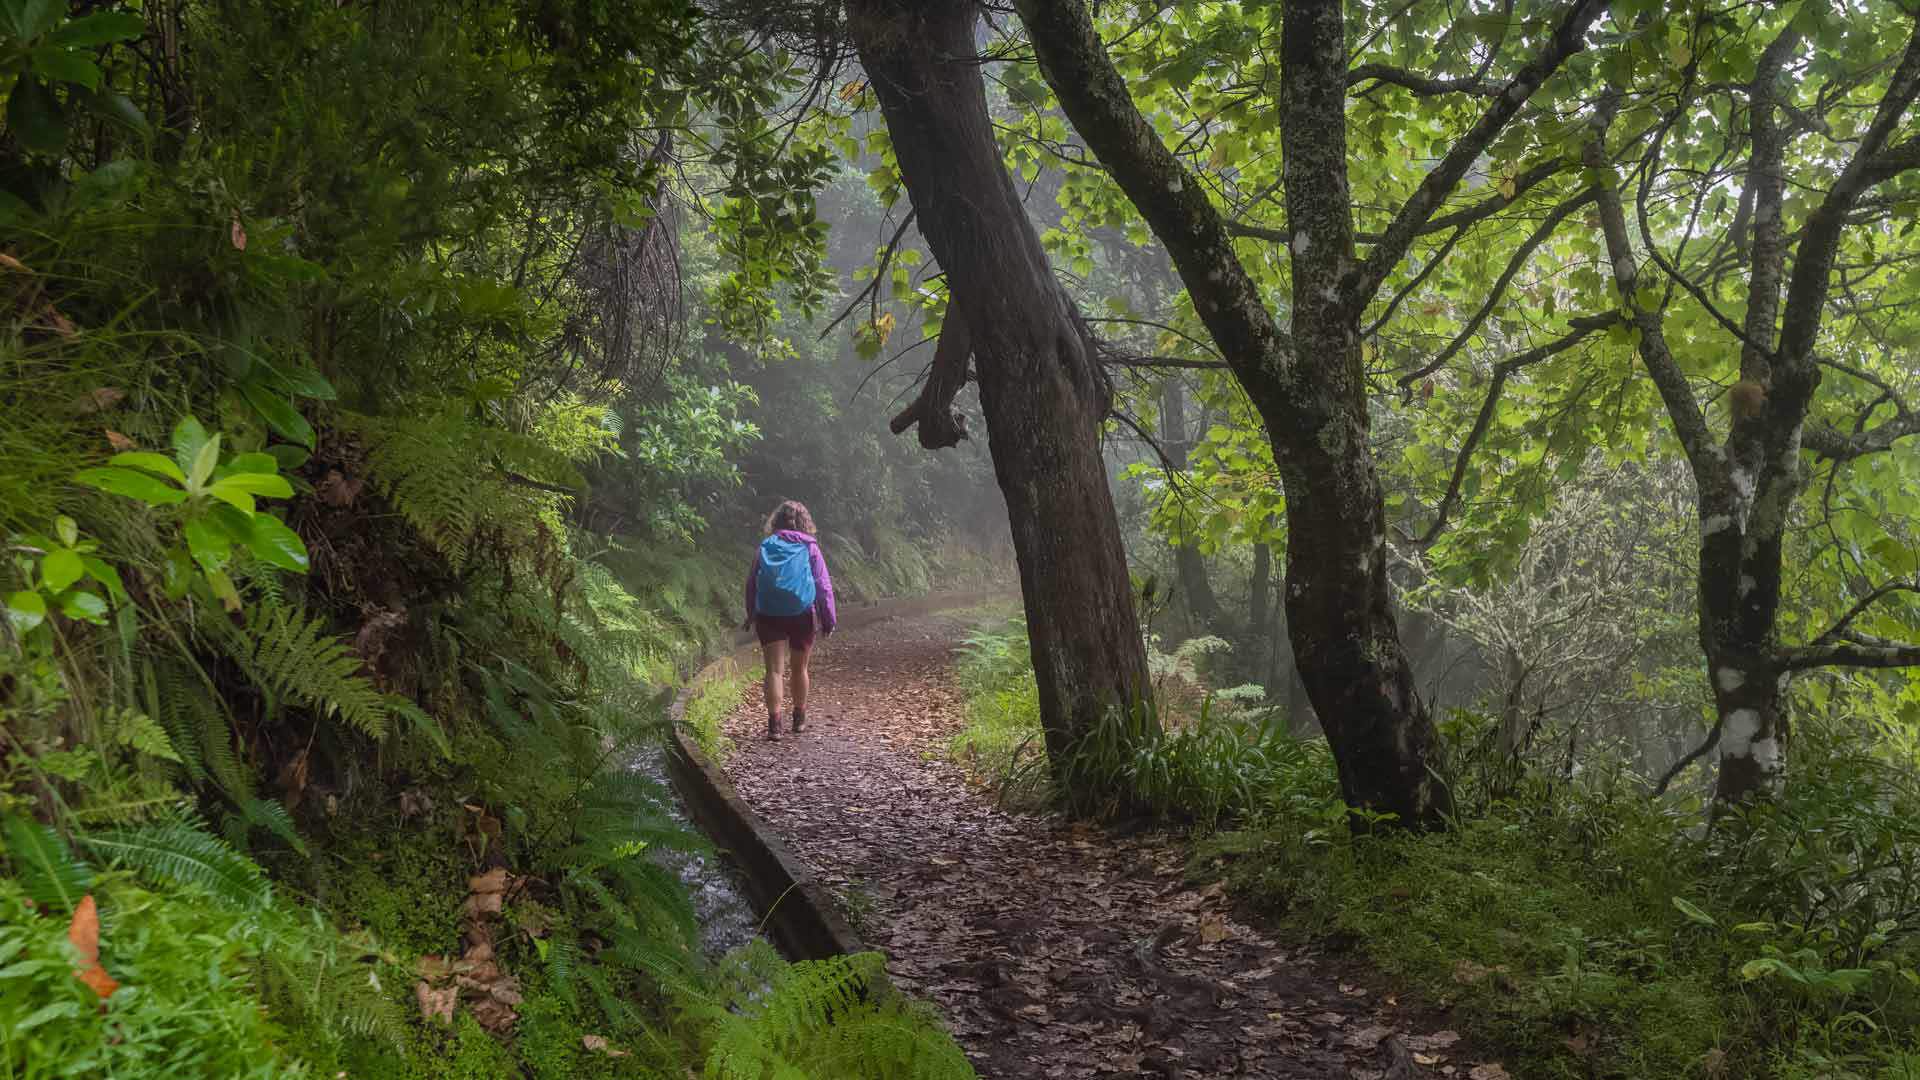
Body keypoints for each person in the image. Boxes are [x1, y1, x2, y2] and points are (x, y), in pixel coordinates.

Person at [743, 500, 837, 741]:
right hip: (802, 613)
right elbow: (823, 586)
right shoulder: (810, 547)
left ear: (776, 521)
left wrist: (751, 613)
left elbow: (752, 583)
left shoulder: (765, 546)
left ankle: (774, 725)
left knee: (774, 671)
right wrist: (828, 619)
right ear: (805, 522)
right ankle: (799, 719)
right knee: (799, 668)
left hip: (769, 613)